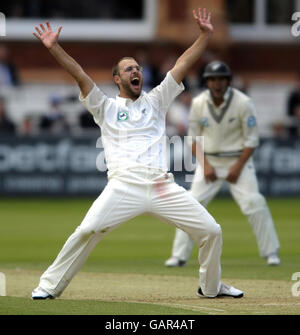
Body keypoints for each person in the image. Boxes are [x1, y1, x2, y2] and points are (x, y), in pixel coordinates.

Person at [31, 9, 244, 300]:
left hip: (162, 186)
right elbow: (79, 75)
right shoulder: (104, 106)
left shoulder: (156, 100)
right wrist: (54, 47)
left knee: (212, 231)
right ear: (117, 79)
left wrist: (204, 35)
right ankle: (48, 287)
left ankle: (210, 287)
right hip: (123, 186)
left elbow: (182, 64)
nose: (136, 72)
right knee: (87, 231)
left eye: (138, 69)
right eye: (129, 69)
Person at [165, 61, 281, 268]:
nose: (216, 83)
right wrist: (206, 165)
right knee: (190, 203)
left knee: (255, 203)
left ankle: (270, 252)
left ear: (228, 81)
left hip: (239, 162)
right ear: (207, 82)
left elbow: (252, 140)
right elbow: (193, 138)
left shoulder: (243, 103)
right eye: (212, 79)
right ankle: (178, 255)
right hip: (209, 161)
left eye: (220, 79)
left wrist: (237, 167)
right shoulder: (199, 102)